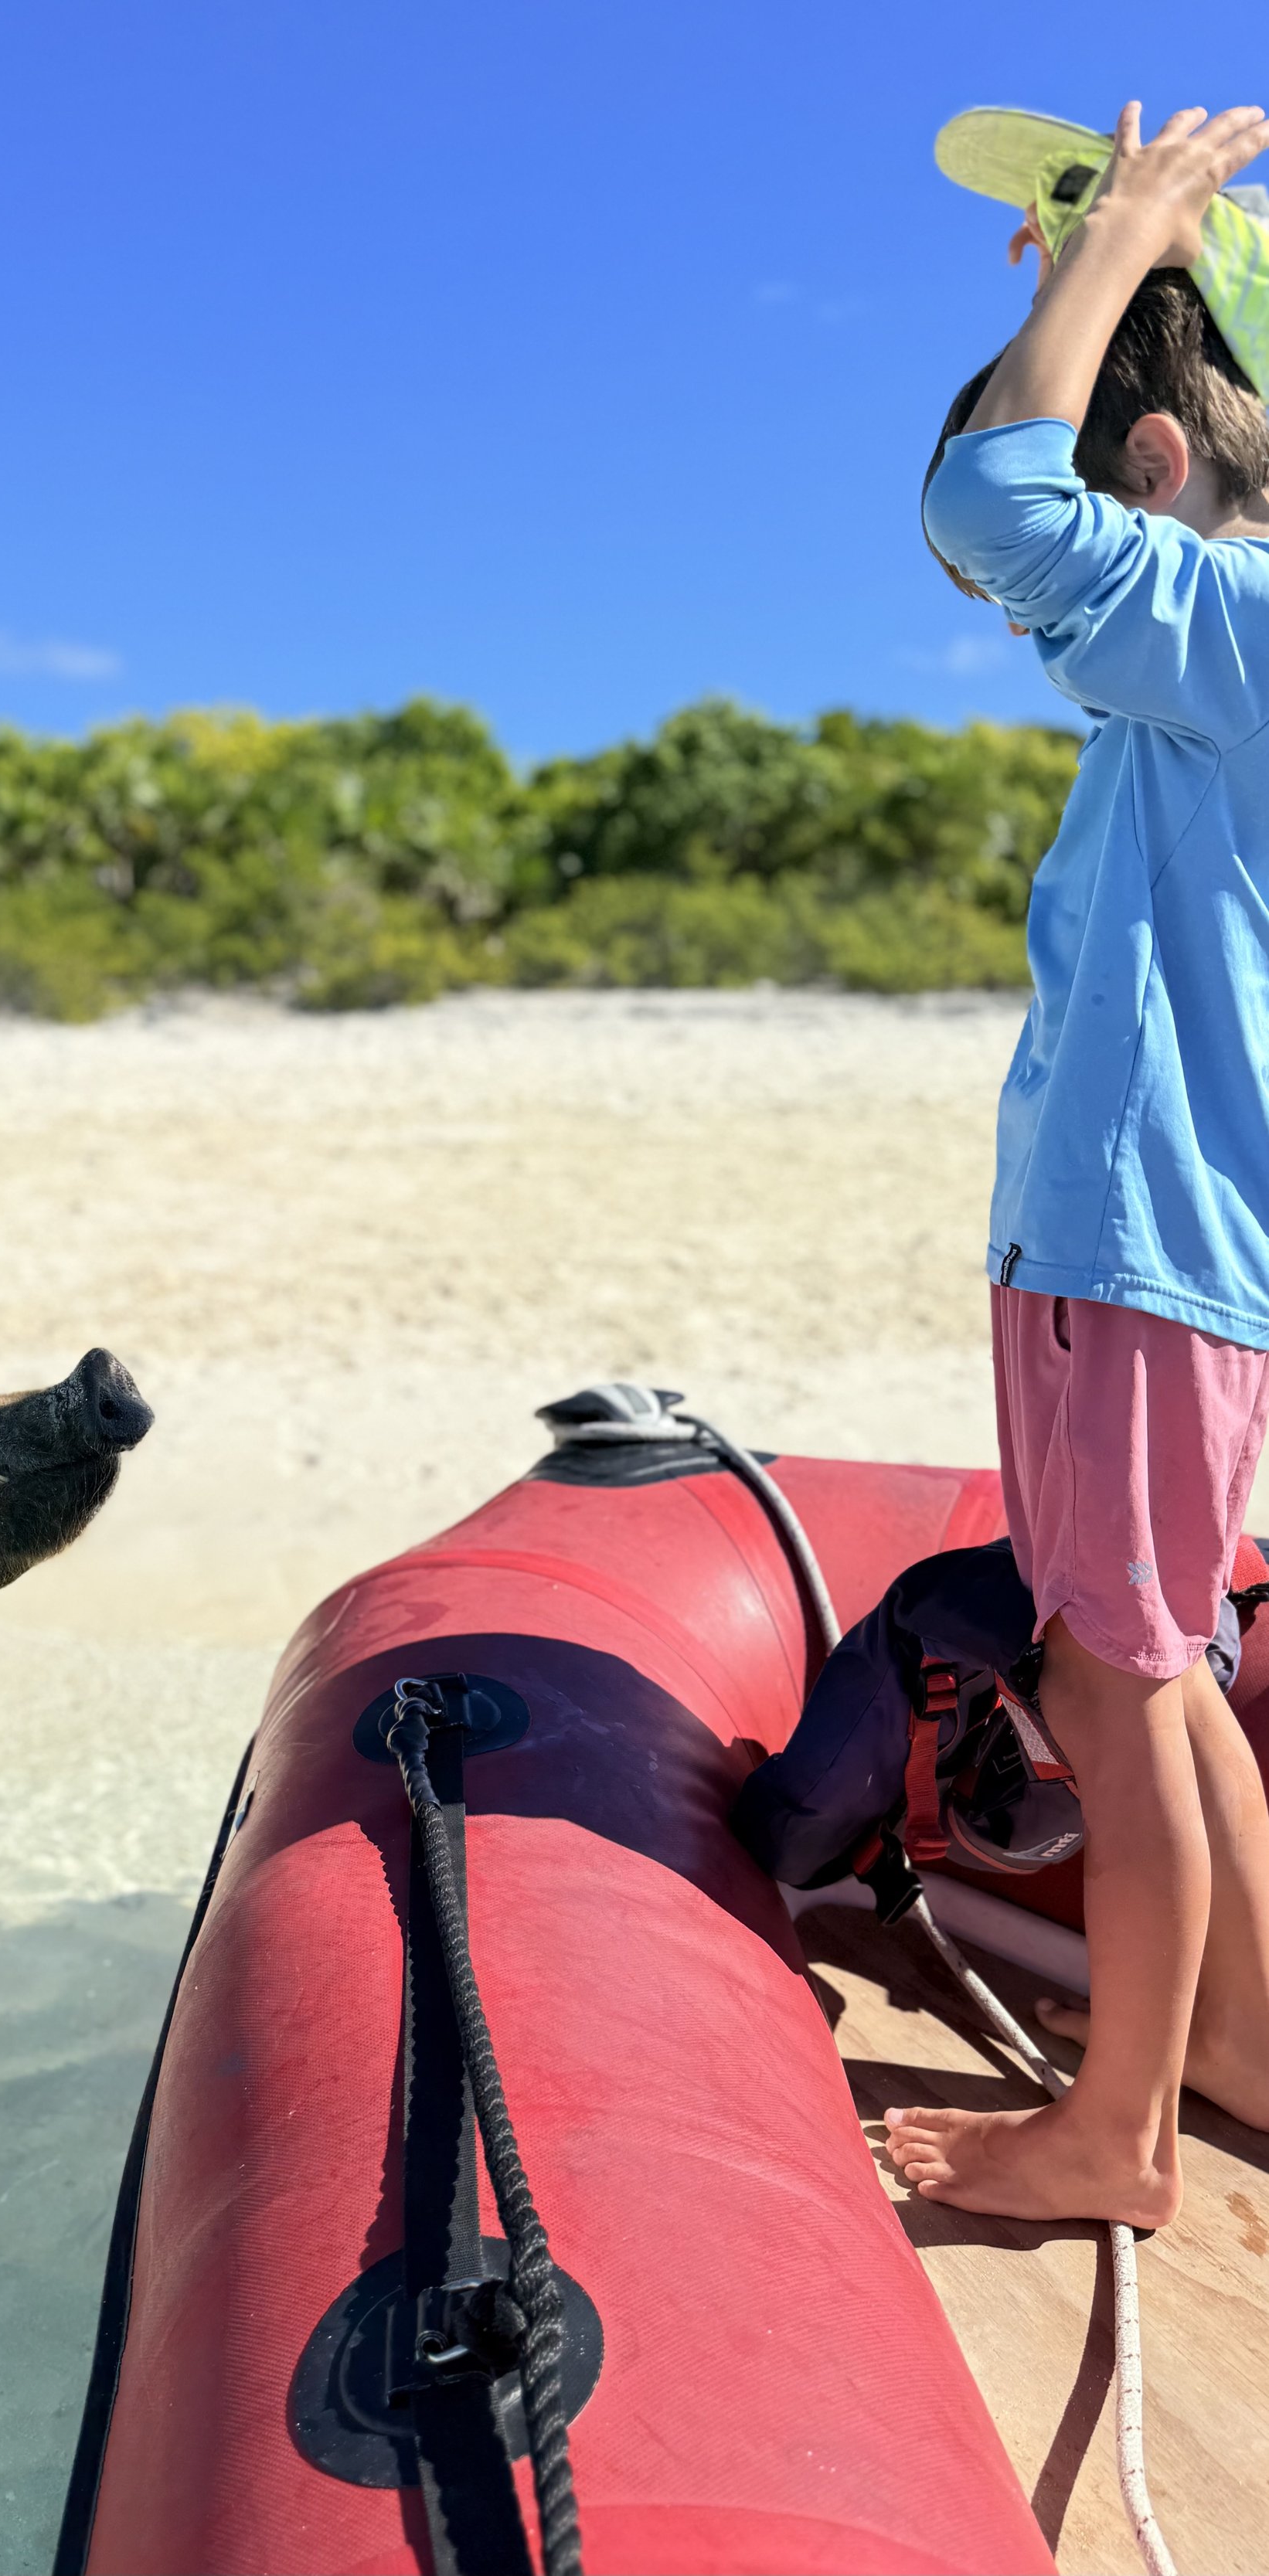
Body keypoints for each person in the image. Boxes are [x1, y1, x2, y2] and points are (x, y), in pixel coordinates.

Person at [888, 101, 1269, 2224]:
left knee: (1109, 1690)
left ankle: (1113, 2137)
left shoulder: (1231, 627)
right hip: (1176, 1256)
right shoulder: (1225, 668)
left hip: (1134, 1251)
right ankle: (1241, 2038)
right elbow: (1025, 501)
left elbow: (992, 500)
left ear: (1154, 472)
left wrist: (1115, 251)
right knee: (1168, 1662)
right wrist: (1113, 286)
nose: (1025, 634)